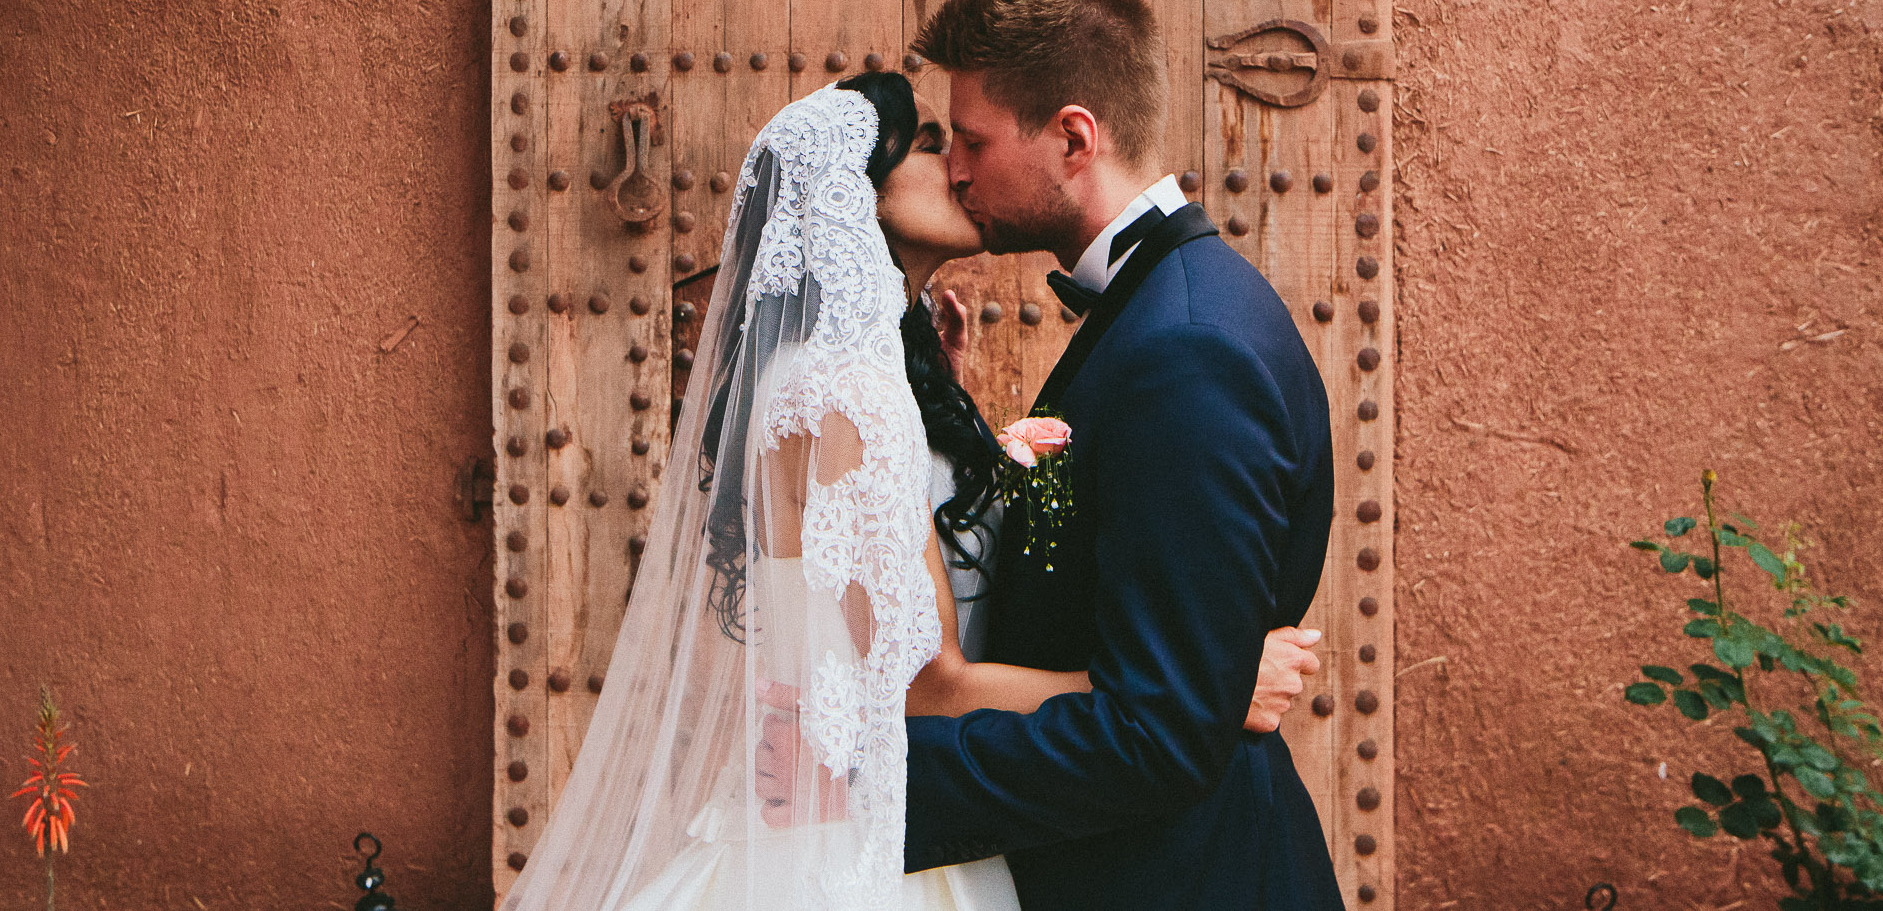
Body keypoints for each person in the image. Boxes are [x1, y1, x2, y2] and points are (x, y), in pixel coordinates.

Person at [501, 71, 1322, 911]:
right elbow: (923, 682)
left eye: (966, 143)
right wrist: (1207, 686)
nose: (961, 170)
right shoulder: (841, 390)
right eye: (932, 147)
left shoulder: (874, 381)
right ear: (852, 198)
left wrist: (950, 431)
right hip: (865, 848)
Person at [901, 0, 1346, 911]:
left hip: (1179, 879)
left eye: (974, 140)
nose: (956, 170)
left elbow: (1158, 738)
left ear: (1072, 137)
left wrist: (870, 782)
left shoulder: (1183, 345)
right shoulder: (1164, 313)